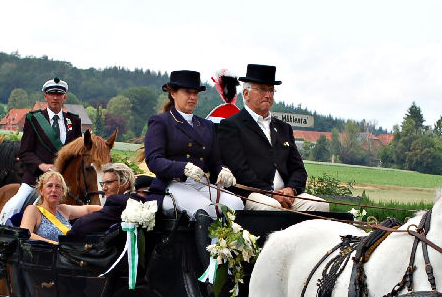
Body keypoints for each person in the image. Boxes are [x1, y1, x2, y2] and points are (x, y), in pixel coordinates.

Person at [217, 64, 329, 212]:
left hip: (286, 195)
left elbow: (298, 169)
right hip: (251, 194)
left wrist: (291, 189)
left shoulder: (284, 128)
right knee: (272, 207)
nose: (268, 95)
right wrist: (271, 193)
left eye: (271, 90)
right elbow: (239, 171)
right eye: (262, 89)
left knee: (320, 205)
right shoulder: (231, 126)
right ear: (246, 94)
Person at [143, 70, 241, 218]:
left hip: (201, 184)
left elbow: (215, 161)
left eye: (195, 93)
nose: (192, 97)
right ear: (173, 93)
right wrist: (183, 168)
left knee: (236, 204)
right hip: (171, 185)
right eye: (187, 92)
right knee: (205, 208)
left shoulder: (207, 125)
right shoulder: (161, 121)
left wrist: (222, 171)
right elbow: (154, 160)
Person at [0, 77, 82, 223]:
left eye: (59, 94)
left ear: (64, 97)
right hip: (36, 178)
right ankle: (3, 228)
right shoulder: (34, 119)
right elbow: (25, 152)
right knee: (14, 205)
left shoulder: (74, 121)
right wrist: (41, 165)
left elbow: (78, 153)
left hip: (66, 180)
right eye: (51, 94)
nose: (55, 98)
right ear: (45, 96)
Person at [19, 169, 99, 244]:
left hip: (67, 252)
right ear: (41, 191)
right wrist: (54, 244)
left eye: (57, 186)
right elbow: (26, 234)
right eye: (49, 186)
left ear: (62, 192)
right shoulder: (33, 210)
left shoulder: (64, 209)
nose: (54, 190)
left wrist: (107, 208)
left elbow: (88, 209)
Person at [67, 175, 157, 238]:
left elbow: (81, 224)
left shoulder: (118, 203)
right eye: (102, 184)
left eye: (109, 182)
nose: (104, 188)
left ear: (125, 184)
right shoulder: (114, 203)